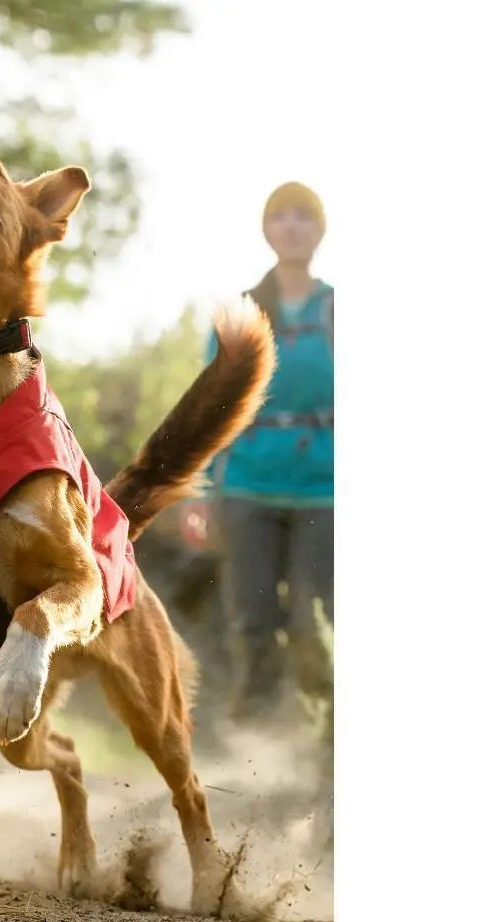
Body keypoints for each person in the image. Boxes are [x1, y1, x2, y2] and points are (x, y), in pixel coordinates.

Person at [182, 181, 333, 730]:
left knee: (312, 621)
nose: (293, 226)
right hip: (246, 486)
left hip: (326, 489)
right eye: (282, 216)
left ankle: (330, 739)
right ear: (268, 230)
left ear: (320, 231)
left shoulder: (340, 311)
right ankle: (259, 754)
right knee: (253, 620)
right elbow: (209, 410)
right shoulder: (241, 314)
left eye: (304, 217)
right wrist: (199, 493)